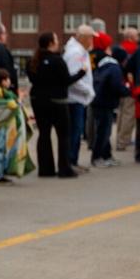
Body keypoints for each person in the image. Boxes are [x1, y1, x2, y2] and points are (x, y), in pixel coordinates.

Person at [27, 31, 86, 178]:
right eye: (56, 39)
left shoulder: (33, 61)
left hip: (38, 100)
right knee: (63, 135)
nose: (58, 41)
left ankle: (45, 169)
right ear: (51, 43)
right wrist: (81, 73)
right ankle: (64, 168)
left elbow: (33, 79)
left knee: (44, 133)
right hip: (57, 101)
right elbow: (66, 81)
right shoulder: (57, 60)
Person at [0, 67, 33, 183]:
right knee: (2, 149)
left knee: (5, 149)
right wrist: (19, 99)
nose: (9, 82)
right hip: (4, 125)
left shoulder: (3, 93)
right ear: (3, 81)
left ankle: (2, 172)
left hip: (7, 125)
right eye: (8, 79)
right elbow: (11, 105)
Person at [89, 39, 127, 167]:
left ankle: (106, 155)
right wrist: (127, 91)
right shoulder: (115, 67)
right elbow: (116, 85)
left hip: (98, 100)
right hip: (105, 101)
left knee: (104, 130)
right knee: (104, 131)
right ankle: (97, 157)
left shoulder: (104, 65)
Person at [63, 25, 96, 172]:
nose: (92, 40)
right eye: (91, 37)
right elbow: (74, 77)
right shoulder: (76, 53)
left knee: (76, 131)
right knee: (74, 131)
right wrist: (88, 91)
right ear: (83, 38)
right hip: (74, 98)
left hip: (78, 98)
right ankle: (70, 161)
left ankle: (73, 160)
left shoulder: (80, 51)